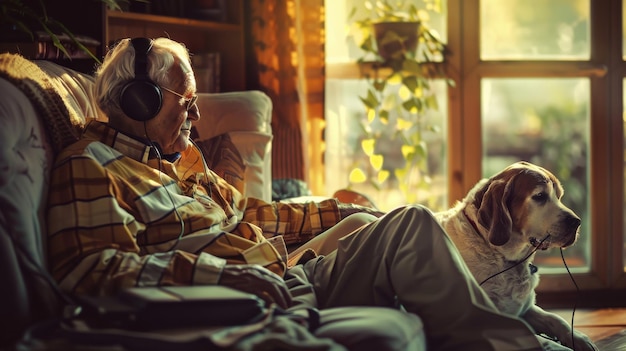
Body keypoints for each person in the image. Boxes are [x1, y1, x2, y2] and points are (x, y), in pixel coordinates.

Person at [46, 37, 544, 351]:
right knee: (412, 222)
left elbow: (258, 213)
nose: (196, 116)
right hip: (254, 289)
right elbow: (91, 270)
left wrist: (341, 209)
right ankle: (517, 345)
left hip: (287, 272)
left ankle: (506, 333)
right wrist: (230, 277)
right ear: (140, 101)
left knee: (383, 222)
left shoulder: (183, 164)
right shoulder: (91, 166)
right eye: (188, 102)